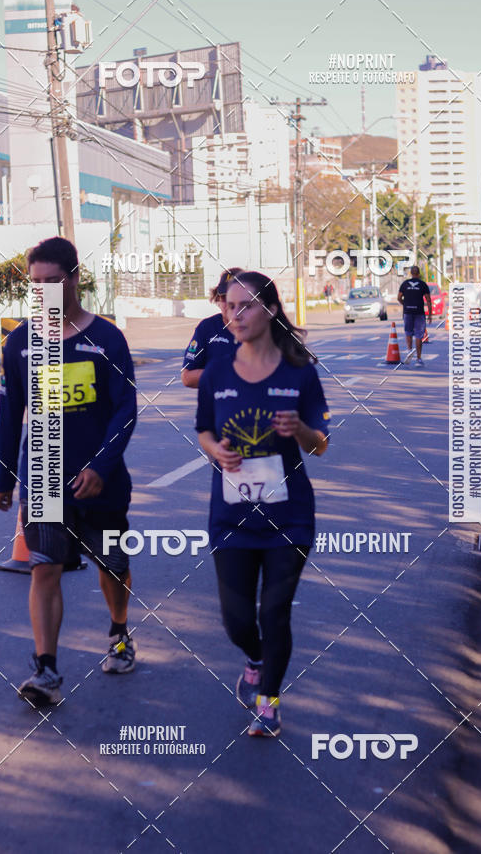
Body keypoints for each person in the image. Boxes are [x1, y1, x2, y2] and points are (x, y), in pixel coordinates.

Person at [0, 237, 138, 708]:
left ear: (75, 278)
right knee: (44, 569)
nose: (43, 291)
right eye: (35, 284)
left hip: (103, 484)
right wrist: (2, 477)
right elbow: (9, 411)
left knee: (112, 566)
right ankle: (46, 669)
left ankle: (119, 633)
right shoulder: (20, 343)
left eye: (52, 282)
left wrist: (101, 466)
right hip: (44, 480)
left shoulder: (107, 338)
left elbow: (125, 410)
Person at [196, 271, 330, 738]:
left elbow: (321, 445)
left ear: (270, 309)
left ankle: (269, 703)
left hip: (287, 518)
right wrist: (217, 452)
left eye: (247, 305)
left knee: (275, 612)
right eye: (230, 306)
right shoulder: (216, 371)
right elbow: (204, 431)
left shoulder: (299, 372)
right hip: (232, 518)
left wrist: (302, 431)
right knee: (237, 621)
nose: (236, 315)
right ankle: (254, 658)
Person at [181, 268, 243, 388]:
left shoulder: (263, 329)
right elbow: (187, 377)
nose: (231, 304)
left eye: (237, 298)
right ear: (217, 299)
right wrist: (225, 374)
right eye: (225, 297)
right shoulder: (207, 328)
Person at [397, 265, 432, 367]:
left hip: (408, 312)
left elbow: (399, 297)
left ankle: (409, 351)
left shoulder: (405, 284)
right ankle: (419, 359)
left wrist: (405, 304)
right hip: (419, 313)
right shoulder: (422, 284)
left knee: (408, 332)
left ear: (411, 273)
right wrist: (430, 314)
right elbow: (428, 300)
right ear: (419, 273)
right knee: (418, 335)